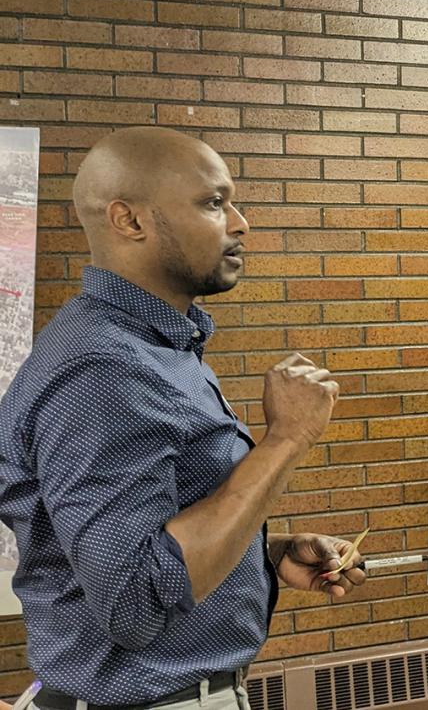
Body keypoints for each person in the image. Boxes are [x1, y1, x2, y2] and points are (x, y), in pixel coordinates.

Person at [0, 127, 367, 709]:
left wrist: (265, 556)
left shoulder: (154, 349)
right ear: (130, 221)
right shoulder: (102, 368)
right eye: (214, 203)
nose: (240, 223)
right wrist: (287, 440)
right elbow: (134, 598)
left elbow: (141, 536)